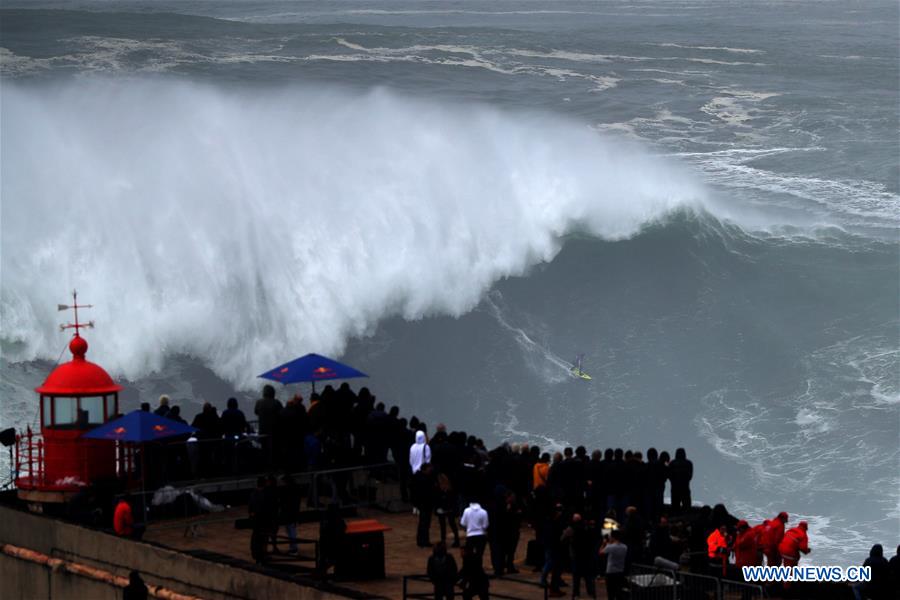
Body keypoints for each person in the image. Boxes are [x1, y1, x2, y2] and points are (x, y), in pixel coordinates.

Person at [412, 463, 436, 547]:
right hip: (424, 503)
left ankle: (424, 540)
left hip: (425, 503)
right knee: (424, 523)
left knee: (425, 523)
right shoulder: (422, 478)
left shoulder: (420, 477)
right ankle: (423, 541)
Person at [600, 529, 628, 600]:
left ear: (613, 537)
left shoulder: (610, 547)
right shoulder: (624, 547)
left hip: (610, 572)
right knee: (619, 593)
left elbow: (600, 552)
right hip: (620, 572)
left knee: (611, 593)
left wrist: (604, 543)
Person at [435, 472, 461, 547]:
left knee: (448, 525)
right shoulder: (442, 489)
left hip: (447, 509)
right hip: (445, 509)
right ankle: (450, 541)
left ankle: (451, 541)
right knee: (448, 525)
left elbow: (452, 500)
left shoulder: (447, 489)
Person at [667, 448, 693, 514]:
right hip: (685, 488)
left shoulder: (672, 463)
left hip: (675, 489)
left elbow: (669, 476)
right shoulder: (689, 463)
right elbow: (690, 476)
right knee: (686, 508)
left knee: (675, 508)